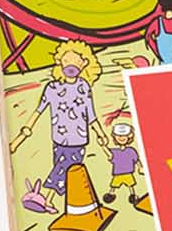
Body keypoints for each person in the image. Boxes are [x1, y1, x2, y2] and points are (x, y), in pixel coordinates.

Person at [10, 40, 110, 202]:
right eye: (66, 60)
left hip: (78, 140)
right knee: (62, 169)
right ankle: (55, 201)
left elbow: (90, 114)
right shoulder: (52, 88)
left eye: (76, 61)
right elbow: (39, 109)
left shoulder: (84, 86)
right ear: (59, 62)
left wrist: (101, 134)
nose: (71, 65)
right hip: (58, 138)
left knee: (65, 169)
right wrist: (27, 128)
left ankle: (45, 199)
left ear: (84, 63)